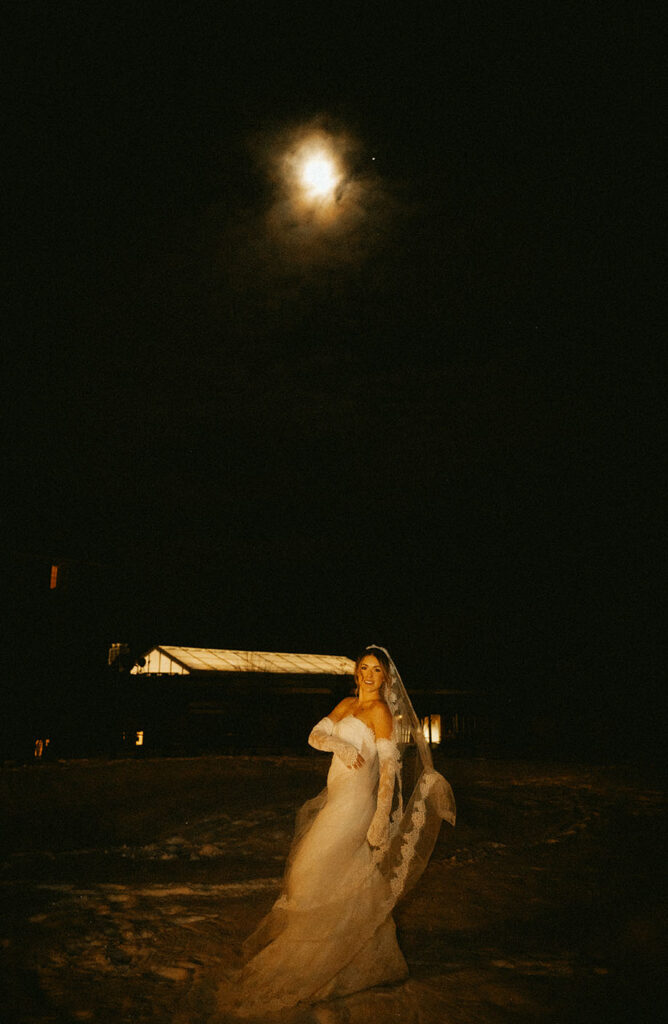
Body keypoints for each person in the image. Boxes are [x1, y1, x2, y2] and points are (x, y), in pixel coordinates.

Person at [206, 645, 456, 1020]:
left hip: (357, 804)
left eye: (376, 670)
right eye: (364, 668)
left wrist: (379, 818)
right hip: (336, 797)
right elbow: (313, 735)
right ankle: (352, 956)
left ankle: (323, 960)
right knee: (316, 877)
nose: (369, 675)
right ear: (356, 672)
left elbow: (388, 770)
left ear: (385, 677)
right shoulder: (346, 704)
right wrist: (337, 743)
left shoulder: (380, 712)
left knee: (315, 873)